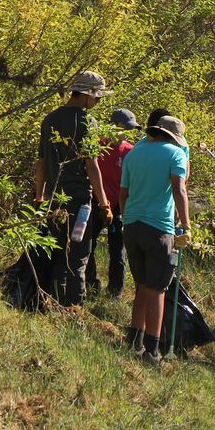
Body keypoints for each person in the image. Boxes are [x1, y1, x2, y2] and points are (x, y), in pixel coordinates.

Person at [33, 70, 113, 307]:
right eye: (97, 97)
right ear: (86, 94)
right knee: (78, 257)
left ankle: (53, 304)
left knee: (59, 252)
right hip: (79, 201)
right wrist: (104, 203)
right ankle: (74, 310)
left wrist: (39, 195)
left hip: (53, 199)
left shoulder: (50, 119)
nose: (98, 102)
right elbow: (92, 165)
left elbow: (41, 162)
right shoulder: (88, 122)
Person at [120, 114, 191, 365]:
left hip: (131, 225)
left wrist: (126, 217)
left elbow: (123, 193)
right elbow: (179, 190)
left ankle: (134, 341)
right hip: (159, 228)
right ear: (174, 137)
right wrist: (186, 225)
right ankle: (152, 350)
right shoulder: (175, 154)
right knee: (158, 289)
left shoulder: (134, 153)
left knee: (141, 285)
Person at [89, 108, 140, 298]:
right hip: (96, 203)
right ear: (115, 127)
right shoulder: (98, 146)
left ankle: (115, 293)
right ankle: (91, 285)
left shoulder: (130, 151)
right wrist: (102, 204)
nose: (129, 132)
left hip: (119, 208)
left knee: (118, 254)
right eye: (126, 128)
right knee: (87, 247)